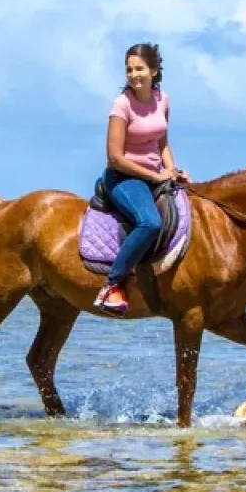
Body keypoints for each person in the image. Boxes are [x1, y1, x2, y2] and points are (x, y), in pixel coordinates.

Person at [94, 43, 188, 315]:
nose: (134, 75)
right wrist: (156, 175)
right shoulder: (122, 104)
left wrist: (173, 170)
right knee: (149, 222)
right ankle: (112, 285)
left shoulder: (163, 100)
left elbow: (162, 143)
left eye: (139, 69)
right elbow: (115, 157)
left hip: (155, 176)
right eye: (129, 70)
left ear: (154, 71)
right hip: (123, 178)